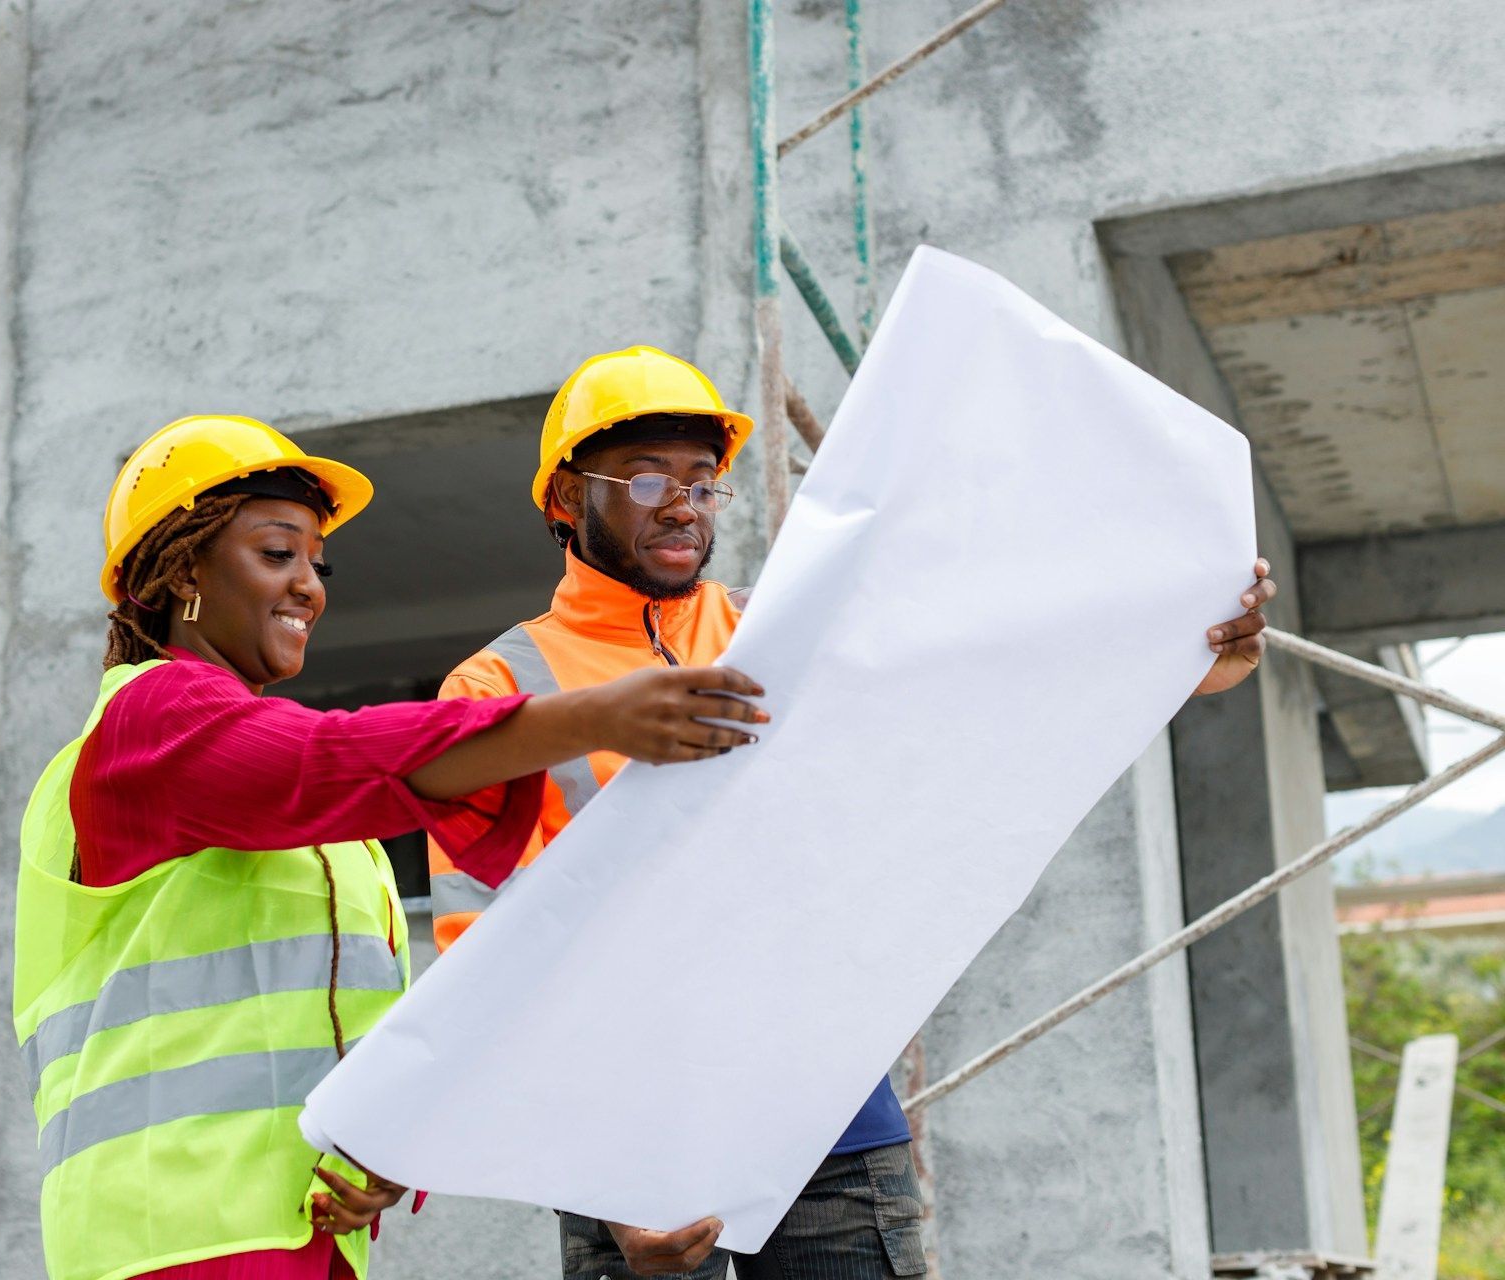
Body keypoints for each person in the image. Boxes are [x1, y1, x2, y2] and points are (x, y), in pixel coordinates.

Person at [428, 346, 1279, 1279]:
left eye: (704, 483)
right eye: (642, 477)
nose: (681, 504)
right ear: (563, 500)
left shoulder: (783, 632)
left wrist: (1183, 657)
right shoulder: (498, 686)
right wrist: (596, 1170)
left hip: (827, 1113)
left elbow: (987, 680)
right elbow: (483, 963)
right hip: (638, 1137)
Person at [12, 414, 768, 1280]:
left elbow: (331, 1011)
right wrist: (590, 717)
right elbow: (335, 759)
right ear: (183, 568)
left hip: (299, 1229)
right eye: (276, 554)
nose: (309, 587)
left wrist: (381, 1141)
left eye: (316, 563)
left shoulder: (270, 785)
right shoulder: (150, 720)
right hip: (175, 1236)